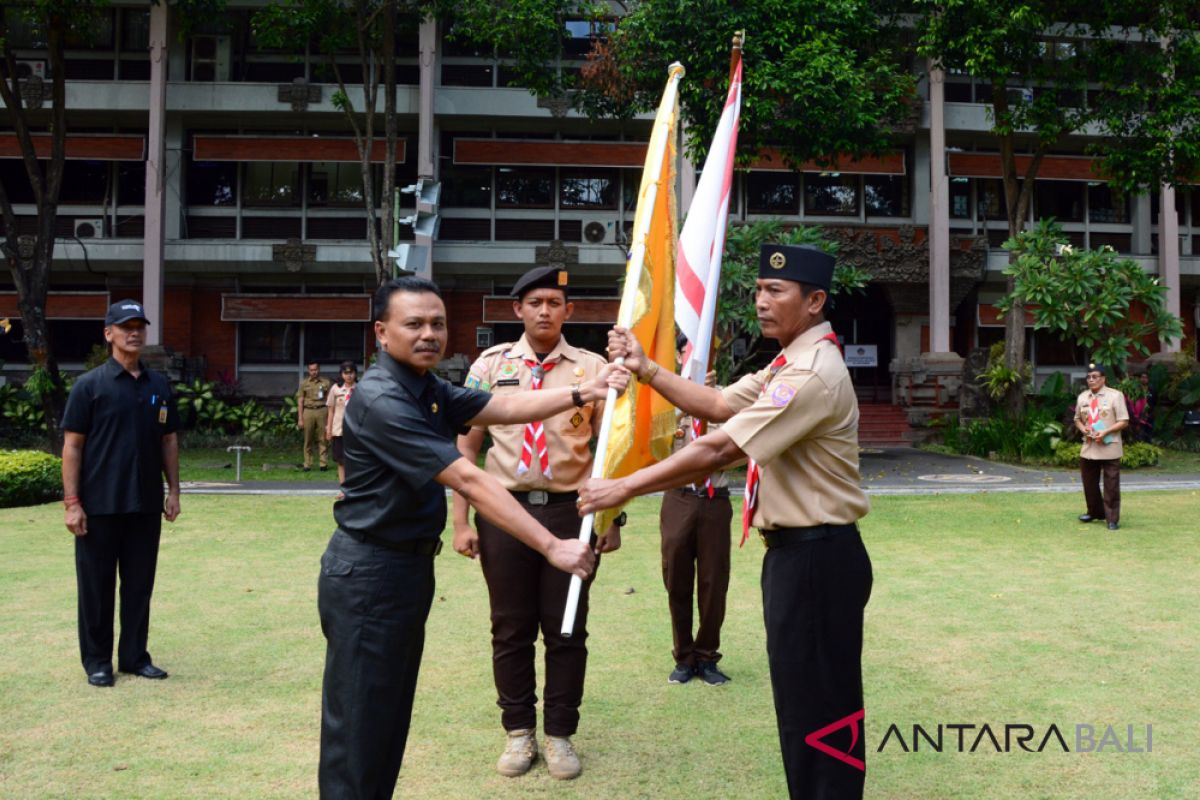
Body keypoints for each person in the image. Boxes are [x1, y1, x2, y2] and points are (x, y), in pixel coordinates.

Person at [579, 244, 873, 800]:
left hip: (816, 557)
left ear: (814, 302)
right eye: (759, 289)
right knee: (805, 700)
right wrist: (645, 369)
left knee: (819, 704)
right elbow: (715, 405)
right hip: (800, 555)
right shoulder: (787, 362)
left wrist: (623, 486)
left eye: (775, 291)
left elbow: (719, 449)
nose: (761, 301)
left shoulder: (810, 373)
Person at [317, 276, 628, 799]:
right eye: (413, 324)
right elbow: (468, 477)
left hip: (402, 569)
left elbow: (496, 408)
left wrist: (580, 391)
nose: (429, 334)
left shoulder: (423, 385)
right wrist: (551, 545)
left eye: (437, 323)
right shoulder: (382, 398)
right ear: (381, 331)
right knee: (360, 724)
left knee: (386, 717)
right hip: (370, 574)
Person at [450, 265, 621, 781]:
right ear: (517, 310)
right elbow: (465, 446)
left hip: (572, 512)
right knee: (510, 626)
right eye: (534, 302)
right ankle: (519, 732)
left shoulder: (593, 369)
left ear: (569, 312)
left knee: (567, 627)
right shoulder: (489, 364)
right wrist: (460, 522)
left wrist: (612, 517)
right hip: (504, 511)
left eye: (554, 302)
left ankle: (560, 735)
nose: (544, 310)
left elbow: (607, 447)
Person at [60, 299, 181, 688]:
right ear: (108, 333)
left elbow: (169, 440)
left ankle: (134, 656)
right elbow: (72, 446)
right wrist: (72, 503)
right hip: (99, 506)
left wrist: (174, 490)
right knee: (96, 588)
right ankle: (97, 661)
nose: (134, 332)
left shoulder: (158, 386)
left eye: (140, 326)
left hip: (144, 504)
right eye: (126, 326)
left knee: (139, 586)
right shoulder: (89, 386)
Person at [660, 341, 733, 687]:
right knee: (676, 578)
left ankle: (707, 656)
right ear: (678, 356)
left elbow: (739, 448)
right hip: (679, 498)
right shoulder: (667, 398)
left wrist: (707, 401)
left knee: (713, 581)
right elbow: (656, 444)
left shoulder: (727, 398)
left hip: (715, 498)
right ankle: (683, 655)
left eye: (708, 348)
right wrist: (684, 402)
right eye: (690, 348)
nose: (701, 354)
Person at [1074, 363, 1129, 530]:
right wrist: (1084, 429)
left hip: (1109, 445)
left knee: (1111, 485)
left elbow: (1124, 421)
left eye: (1095, 377)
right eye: (1089, 377)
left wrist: (1105, 432)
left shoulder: (1115, 396)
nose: (1091, 380)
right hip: (1089, 446)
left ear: (1103, 378)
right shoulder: (1083, 397)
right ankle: (1094, 512)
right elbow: (1077, 419)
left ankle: (1112, 518)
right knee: (1089, 483)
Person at [325, 361, 357, 493]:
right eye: (346, 373)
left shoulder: (360, 388)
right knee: (341, 460)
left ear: (355, 373)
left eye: (351, 373)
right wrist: (329, 429)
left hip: (356, 431)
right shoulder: (336, 389)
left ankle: (355, 488)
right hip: (339, 430)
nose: (349, 376)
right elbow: (331, 410)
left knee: (355, 460)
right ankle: (344, 489)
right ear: (342, 374)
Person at [297, 361, 331, 471]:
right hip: (308, 411)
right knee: (308, 439)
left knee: (323, 438)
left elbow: (329, 400)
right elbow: (300, 401)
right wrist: (300, 418)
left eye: (315, 369)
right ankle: (307, 463)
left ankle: (323, 463)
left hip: (322, 410)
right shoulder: (304, 383)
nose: (314, 372)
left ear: (319, 369)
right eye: (311, 370)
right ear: (308, 370)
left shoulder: (326, 382)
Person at [1130, 371, 1155, 443]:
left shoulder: (1152, 389)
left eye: (1146, 377)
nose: (1144, 379)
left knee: (1149, 429)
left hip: (1150, 413)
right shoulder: (1136, 389)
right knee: (1140, 430)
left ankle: (1148, 443)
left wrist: (1151, 412)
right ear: (1140, 378)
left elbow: (1154, 401)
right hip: (1139, 414)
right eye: (1142, 377)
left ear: (1148, 379)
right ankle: (1140, 443)